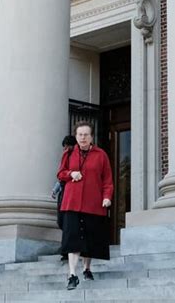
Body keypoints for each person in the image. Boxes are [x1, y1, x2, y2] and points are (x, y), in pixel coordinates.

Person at [57, 121, 114, 291]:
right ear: (76, 136)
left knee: (89, 240)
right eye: (80, 135)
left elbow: (107, 180)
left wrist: (107, 197)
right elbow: (60, 173)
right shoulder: (68, 154)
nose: (83, 138)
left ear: (91, 137)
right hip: (72, 203)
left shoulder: (101, 155)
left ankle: (86, 268)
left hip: (93, 203)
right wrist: (70, 173)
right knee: (72, 239)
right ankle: (72, 275)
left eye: (86, 135)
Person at [51, 134, 77, 261]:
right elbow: (61, 177)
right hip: (64, 195)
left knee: (68, 223)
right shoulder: (66, 157)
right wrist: (55, 191)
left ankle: (67, 250)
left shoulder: (76, 158)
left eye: (66, 147)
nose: (64, 150)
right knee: (62, 222)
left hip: (73, 196)